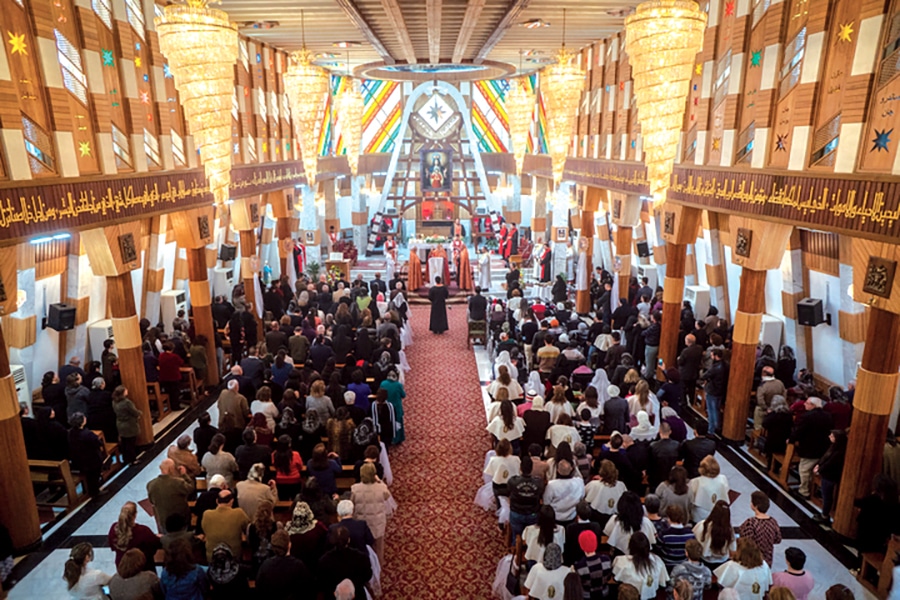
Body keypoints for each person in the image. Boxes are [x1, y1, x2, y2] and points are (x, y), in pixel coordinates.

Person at [789, 397, 833, 498]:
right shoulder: (828, 416)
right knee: (814, 470)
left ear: (813, 405)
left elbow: (800, 431)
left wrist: (791, 439)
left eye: (807, 403)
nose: (804, 404)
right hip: (823, 448)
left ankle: (804, 491)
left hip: (809, 448)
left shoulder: (807, 416)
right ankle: (813, 489)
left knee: (804, 469)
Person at [351, 462, 392, 565]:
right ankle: (379, 563)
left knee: (363, 545)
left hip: (362, 522)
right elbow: (387, 496)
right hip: (377, 522)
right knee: (379, 546)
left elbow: (352, 503)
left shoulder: (355, 489)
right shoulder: (381, 488)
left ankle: (366, 564)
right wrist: (380, 481)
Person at [255, 529, 315, 599]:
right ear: (289, 545)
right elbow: (308, 591)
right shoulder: (299, 567)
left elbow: (259, 590)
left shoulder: (265, 566)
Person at [317, 526, 372, 600]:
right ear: (348, 540)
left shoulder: (324, 561)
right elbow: (368, 575)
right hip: (357, 594)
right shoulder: (361, 557)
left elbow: (322, 582)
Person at [612, 532, 668, 600]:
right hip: (648, 597)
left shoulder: (621, 562)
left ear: (630, 546)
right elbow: (662, 582)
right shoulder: (657, 561)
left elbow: (615, 578)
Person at [108, 501, 161, 570]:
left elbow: (112, 547)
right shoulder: (143, 531)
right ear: (135, 515)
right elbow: (155, 545)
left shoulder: (113, 528)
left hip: (122, 566)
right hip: (142, 567)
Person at [200, 489, 250, 562]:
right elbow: (248, 528)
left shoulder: (206, 514)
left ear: (217, 501)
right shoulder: (239, 513)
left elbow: (204, 529)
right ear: (232, 501)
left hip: (212, 558)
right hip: (233, 558)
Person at [146, 459, 193, 533]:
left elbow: (152, 501)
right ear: (172, 469)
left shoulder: (151, 484)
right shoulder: (178, 483)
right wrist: (184, 475)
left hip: (164, 519)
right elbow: (190, 488)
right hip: (181, 519)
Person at [738, 491, 782, 567]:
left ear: (755, 506)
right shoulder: (773, 521)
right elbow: (778, 539)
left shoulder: (750, 523)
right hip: (767, 561)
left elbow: (745, 542)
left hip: (752, 560)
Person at [68, 412, 104, 497]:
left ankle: (86, 489)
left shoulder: (71, 433)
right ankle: (95, 491)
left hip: (78, 459)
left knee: (87, 474)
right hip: (91, 460)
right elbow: (97, 443)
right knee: (94, 475)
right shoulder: (87, 434)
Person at [815, 429, 847, 524]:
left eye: (832, 436)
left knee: (827, 496)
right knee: (825, 495)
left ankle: (825, 515)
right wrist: (818, 465)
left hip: (830, 476)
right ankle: (824, 513)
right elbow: (825, 458)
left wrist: (819, 470)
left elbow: (830, 463)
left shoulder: (839, 452)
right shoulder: (833, 447)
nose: (829, 436)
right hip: (825, 474)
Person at [692, 500, 736, 569]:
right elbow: (733, 550)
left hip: (705, 560)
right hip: (722, 562)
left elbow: (693, 539)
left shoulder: (702, 525)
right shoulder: (730, 530)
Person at [584, 459, 628, 528]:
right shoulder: (621, 485)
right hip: (613, 518)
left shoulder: (594, 484)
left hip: (600, 518)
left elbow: (585, 494)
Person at [543, 456, 585, 523]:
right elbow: (582, 497)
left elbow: (546, 502)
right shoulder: (579, 482)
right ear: (571, 469)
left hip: (557, 516)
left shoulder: (551, 485)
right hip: (571, 516)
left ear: (557, 470)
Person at [574, 529, 612, 599]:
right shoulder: (606, 560)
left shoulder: (579, 566)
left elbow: (579, 583)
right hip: (604, 593)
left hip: (587, 595)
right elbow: (608, 577)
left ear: (581, 546)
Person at [564, 502, 604, 566]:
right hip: (591, 558)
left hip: (575, 558)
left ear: (577, 515)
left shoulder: (570, 528)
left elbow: (568, 546)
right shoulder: (596, 526)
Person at [656, 505, 695, 569]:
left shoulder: (664, 535)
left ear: (668, 518)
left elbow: (658, 548)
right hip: (683, 565)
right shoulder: (690, 534)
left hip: (667, 564)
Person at [698, 348, 727, 434]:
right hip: (721, 390)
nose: (711, 357)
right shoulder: (725, 365)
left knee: (711, 410)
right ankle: (717, 426)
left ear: (716, 356)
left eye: (712, 355)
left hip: (712, 391)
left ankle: (711, 429)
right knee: (716, 409)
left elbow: (704, 376)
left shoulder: (715, 368)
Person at [111, 386, 142, 464]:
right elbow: (134, 412)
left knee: (124, 442)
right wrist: (139, 413)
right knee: (131, 443)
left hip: (120, 423)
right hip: (129, 424)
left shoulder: (114, 401)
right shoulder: (127, 402)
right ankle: (132, 460)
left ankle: (125, 459)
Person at [379, 368, 406, 444]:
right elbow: (403, 395)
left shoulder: (383, 383)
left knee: (388, 422)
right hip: (396, 406)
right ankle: (397, 439)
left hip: (386, 406)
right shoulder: (398, 385)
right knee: (397, 422)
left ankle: (390, 439)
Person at [755, 366, 786, 430]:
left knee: (758, 410)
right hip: (777, 409)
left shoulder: (763, 386)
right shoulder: (780, 383)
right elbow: (784, 395)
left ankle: (758, 432)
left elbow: (760, 400)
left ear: (764, 373)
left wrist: (766, 408)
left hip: (765, 410)